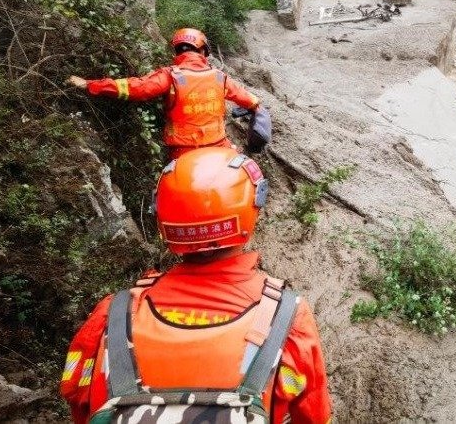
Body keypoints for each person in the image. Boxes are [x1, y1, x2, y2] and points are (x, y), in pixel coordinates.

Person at [60, 147, 332, 423]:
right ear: (251, 211)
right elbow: (312, 415)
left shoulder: (112, 315)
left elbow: (78, 400)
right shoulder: (287, 318)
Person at [67, 28, 271, 159]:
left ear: (178, 52)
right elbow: (250, 101)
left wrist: (92, 85)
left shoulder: (170, 76)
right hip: (219, 147)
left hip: (182, 152)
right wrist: (256, 108)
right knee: (245, 174)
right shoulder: (219, 77)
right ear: (203, 51)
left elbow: (135, 88)